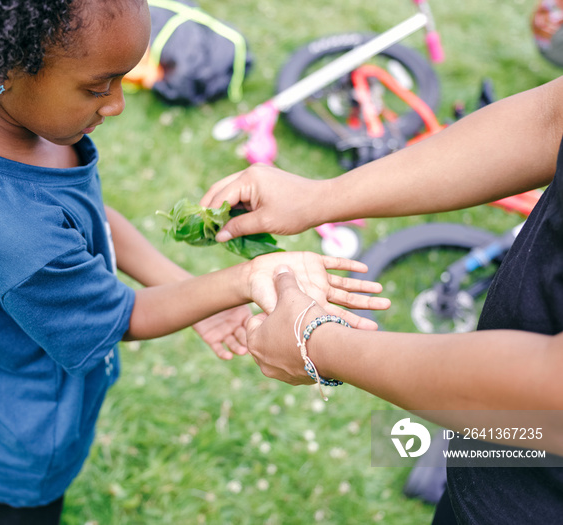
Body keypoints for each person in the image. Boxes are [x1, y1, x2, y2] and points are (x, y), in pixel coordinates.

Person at [0, 0, 391, 523]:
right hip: (26, 427)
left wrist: (185, 289)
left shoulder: (9, 125)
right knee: (19, 509)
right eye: (98, 87)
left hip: (5, 378)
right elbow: (120, 317)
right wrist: (246, 277)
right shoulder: (21, 240)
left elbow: (92, 220)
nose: (116, 104)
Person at [201, 75, 563, 523]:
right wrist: (321, 197)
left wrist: (316, 343)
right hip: (496, 461)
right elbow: (551, 120)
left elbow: (552, 389)